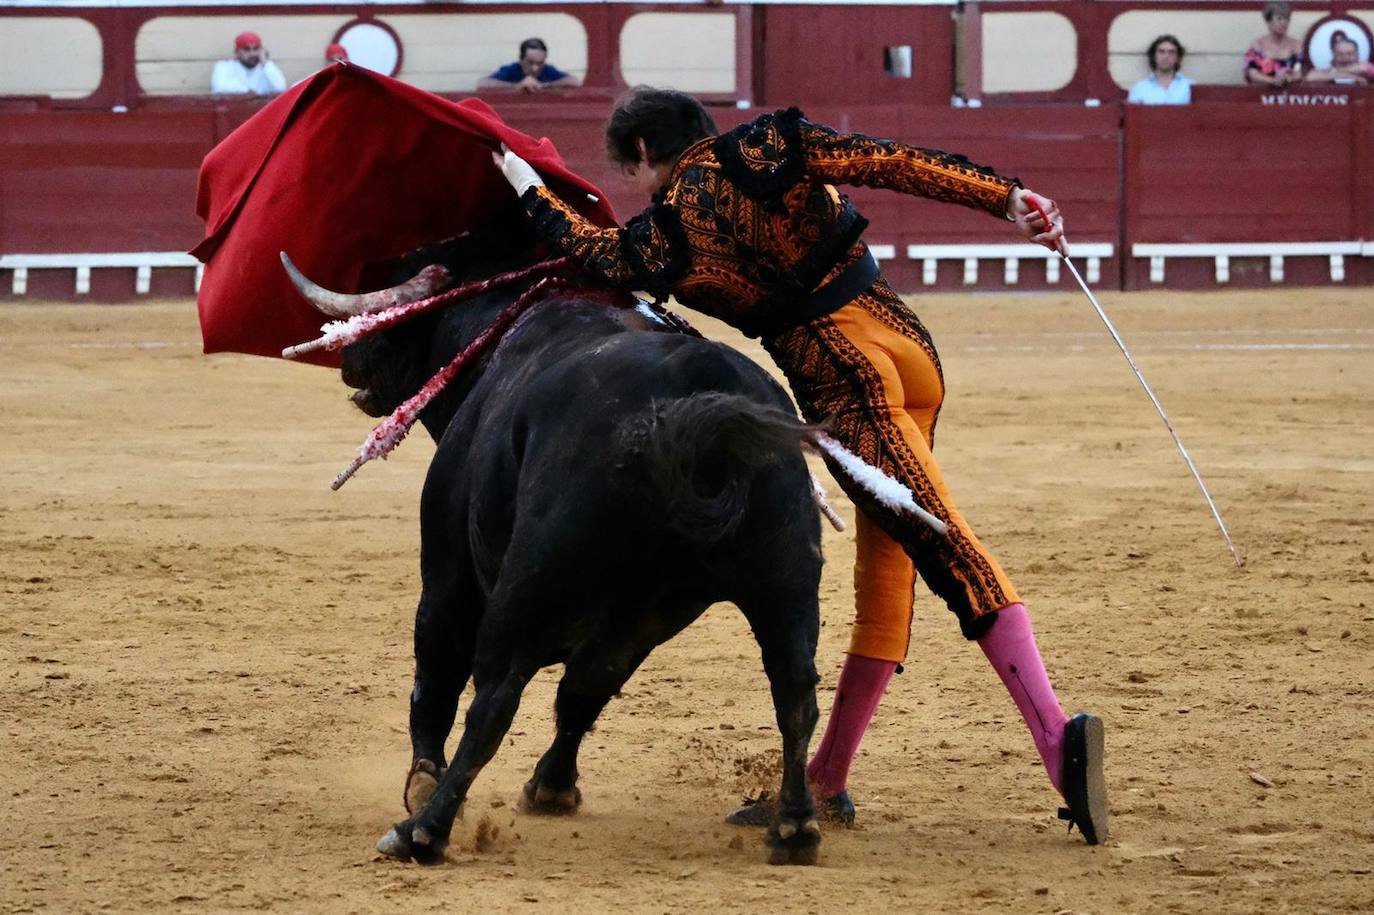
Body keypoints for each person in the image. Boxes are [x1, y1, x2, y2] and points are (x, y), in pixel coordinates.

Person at [492, 87, 1109, 844]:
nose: (637, 186)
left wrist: (531, 196)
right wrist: (1006, 198)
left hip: (845, 381)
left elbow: (596, 254)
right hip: (905, 343)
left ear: (646, 153)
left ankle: (1056, 740)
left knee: (943, 545)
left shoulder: (661, 233)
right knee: (889, 569)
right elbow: (892, 161)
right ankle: (828, 779)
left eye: (632, 171)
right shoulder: (768, 144)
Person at [477, 38, 578, 92]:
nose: (535, 68)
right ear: (521, 59)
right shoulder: (512, 70)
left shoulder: (547, 69)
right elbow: (482, 83)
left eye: (540, 63)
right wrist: (517, 86)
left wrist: (544, 86)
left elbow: (573, 81)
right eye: (530, 63)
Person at [1244, 1, 1305, 86]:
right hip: (1262, 93)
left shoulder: (1296, 46)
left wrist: (1288, 78)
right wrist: (1272, 81)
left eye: (1287, 19)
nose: (1284, 23)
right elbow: (1252, 74)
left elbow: (1300, 72)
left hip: (1290, 93)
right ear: (1269, 22)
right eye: (1279, 18)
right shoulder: (1258, 44)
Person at [210, 31, 287, 96]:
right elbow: (219, 87)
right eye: (247, 49)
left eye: (256, 49)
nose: (252, 53)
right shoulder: (224, 67)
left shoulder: (267, 67)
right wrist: (248, 92)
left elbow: (280, 87)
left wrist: (265, 62)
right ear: (236, 52)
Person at [1128, 35, 1192, 104]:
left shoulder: (1190, 86)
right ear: (1154, 56)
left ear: (1178, 58)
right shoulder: (1139, 89)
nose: (1166, 56)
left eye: (1171, 52)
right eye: (1161, 52)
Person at [1305, 35, 1374, 85]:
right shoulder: (1325, 70)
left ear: (1357, 55)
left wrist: (1335, 71)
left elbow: (1365, 69)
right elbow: (1309, 77)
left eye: (1349, 54)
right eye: (1340, 54)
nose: (1345, 58)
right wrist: (1353, 77)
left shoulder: (1366, 67)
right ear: (1333, 56)